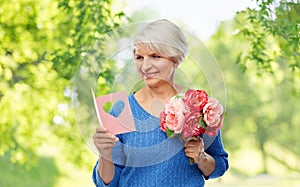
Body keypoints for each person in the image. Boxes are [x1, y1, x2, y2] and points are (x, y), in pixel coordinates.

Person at [92, 19, 228, 187]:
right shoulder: (121, 109)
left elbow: (220, 165)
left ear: (176, 60)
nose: (145, 66)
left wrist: (201, 157)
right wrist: (105, 154)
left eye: (155, 56)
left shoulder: (199, 106)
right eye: (139, 57)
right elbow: (106, 183)